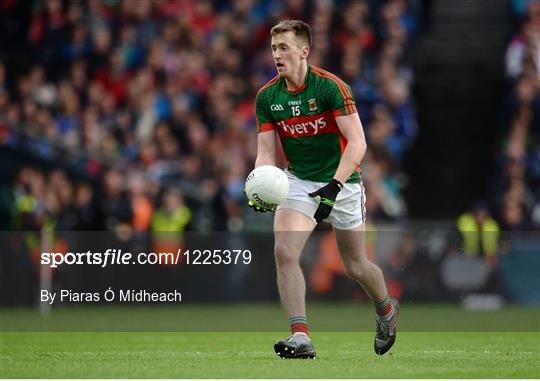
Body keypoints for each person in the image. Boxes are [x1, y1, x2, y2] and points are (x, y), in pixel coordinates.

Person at [248, 19, 399, 358]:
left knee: (356, 266)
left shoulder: (331, 87)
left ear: (304, 51)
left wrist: (335, 185)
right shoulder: (267, 97)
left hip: (343, 181)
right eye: (274, 48)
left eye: (284, 47)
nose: (277, 54)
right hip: (298, 181)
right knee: (284, 253)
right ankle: (300, 336)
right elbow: (266, 153)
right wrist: (260, 184)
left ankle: (386, 309)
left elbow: (358, 143)